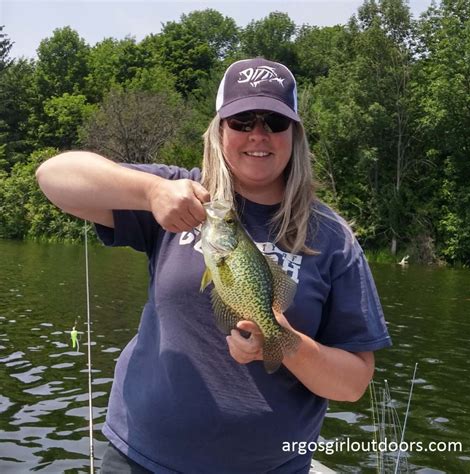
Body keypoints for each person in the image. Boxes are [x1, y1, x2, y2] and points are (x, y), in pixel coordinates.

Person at [36, 57, 391, 474]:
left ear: (293, 135)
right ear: (220, 130)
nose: (258, 134)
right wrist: (151, 191)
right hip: (140, 458)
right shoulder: (183, 196)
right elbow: (54, 176)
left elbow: (352, 384)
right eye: (241, 120)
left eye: (274, 122)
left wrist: (281, 342)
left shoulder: (332, 237)